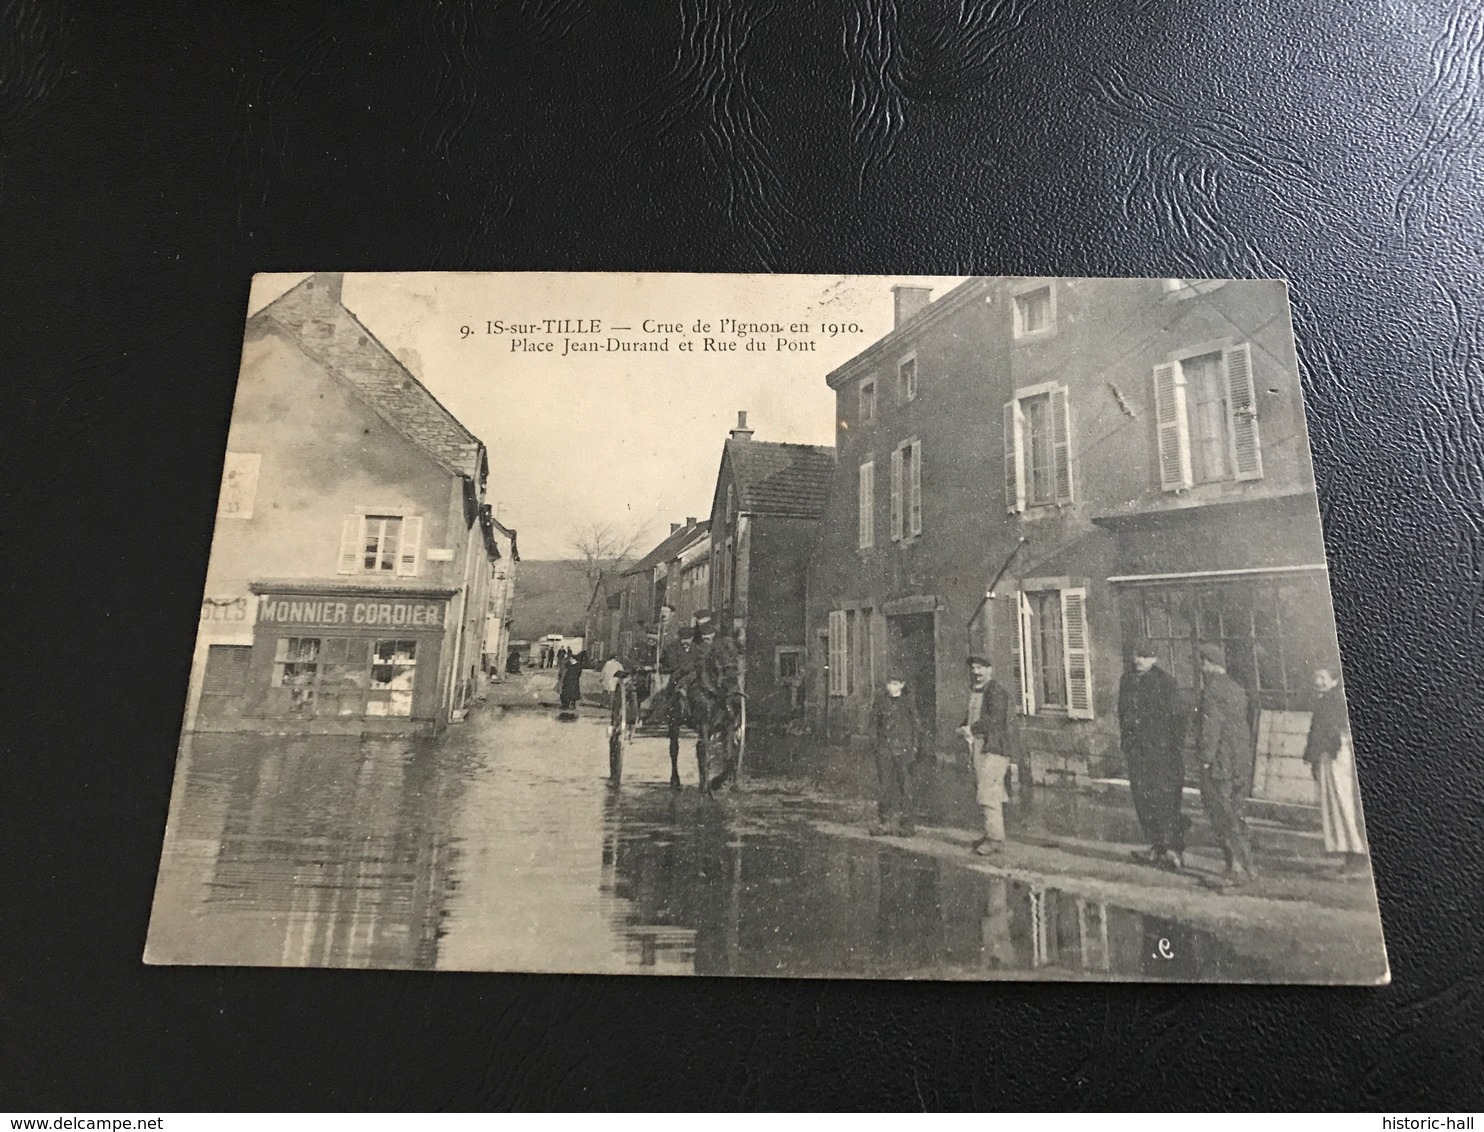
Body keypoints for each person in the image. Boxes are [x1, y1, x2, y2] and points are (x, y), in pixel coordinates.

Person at [1118, 641, 1188, 869]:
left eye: (1145, 656)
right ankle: (1155, 846)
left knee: (1165, 800)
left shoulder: (1165, 683)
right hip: (1136, 751)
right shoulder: (1127, 681)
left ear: (1155, 659)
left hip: (1161, 753)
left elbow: (1178, 719)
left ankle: (1173, 850)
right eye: (1137, 654)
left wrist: (1169, 746)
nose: (1139, 660)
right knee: (1142, 799)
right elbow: (1123, 713)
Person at [1195, 642, 1255, 882]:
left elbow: (1211, 729)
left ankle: (1239, 867)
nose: (1201, 667)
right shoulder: (1238, 689)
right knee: (1235, 814)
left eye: (1202, 662)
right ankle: (1241, 866)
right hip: (1240, 761)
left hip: (1220, 763)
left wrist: (1205, 760)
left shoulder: (1211, 692)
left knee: (1221, 815)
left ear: (1208, 664)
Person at [1303, 663, 1368, 874]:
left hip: (1335, 755)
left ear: (1334, 680)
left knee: (1343, 802)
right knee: (1337, 804)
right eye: (1316, 677)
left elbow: (1333, 731)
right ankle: (1350, 852)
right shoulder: (1326, 700)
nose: (1318, 681)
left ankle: (1357, 853)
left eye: (1322, 677)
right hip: (1327, 756)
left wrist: (1319, 753)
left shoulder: (1335, 701)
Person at [958, 654, 1012, 856]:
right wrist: (963, 726)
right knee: (987, 790)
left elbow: (994, 720)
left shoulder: (996, 692)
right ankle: (992, 833)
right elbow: (972, 715)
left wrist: (971, 728)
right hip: (980, 746)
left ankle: (995, 840)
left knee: (988, 792)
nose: (976, 673)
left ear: (990, 670)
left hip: (994, 747)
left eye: (981, 668)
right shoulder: (977, 691)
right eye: (973, 669)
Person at [870, 674, 921, 836]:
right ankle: (885, 822)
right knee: (885, 786)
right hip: (884, 750)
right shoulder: (880, 702)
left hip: (903, 750)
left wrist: (914, 747)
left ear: (902, 684)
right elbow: (873, 725)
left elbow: (916, 725)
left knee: (905, 787)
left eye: (895, 684)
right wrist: (876, 745)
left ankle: (907, 825)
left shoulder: (908, 702)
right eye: (889, 684)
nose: (892, 687)